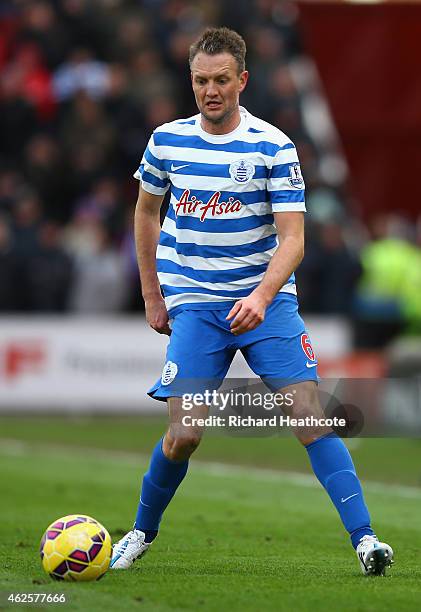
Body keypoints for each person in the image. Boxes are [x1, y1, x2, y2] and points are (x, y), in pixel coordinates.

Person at [111, 27, 393, 576]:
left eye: (221, 80)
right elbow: (146, 212)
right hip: (194, 301)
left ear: (243, 79)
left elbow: (294, 238)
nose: (210, 91)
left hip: (265, 301)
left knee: (309, 415)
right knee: (185, 434)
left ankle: (367, 541)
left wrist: (263, 295)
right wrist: (152, 291)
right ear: (190, 82)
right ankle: (141, 532)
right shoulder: (166, 141)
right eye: (200, 81)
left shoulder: (273, 145)